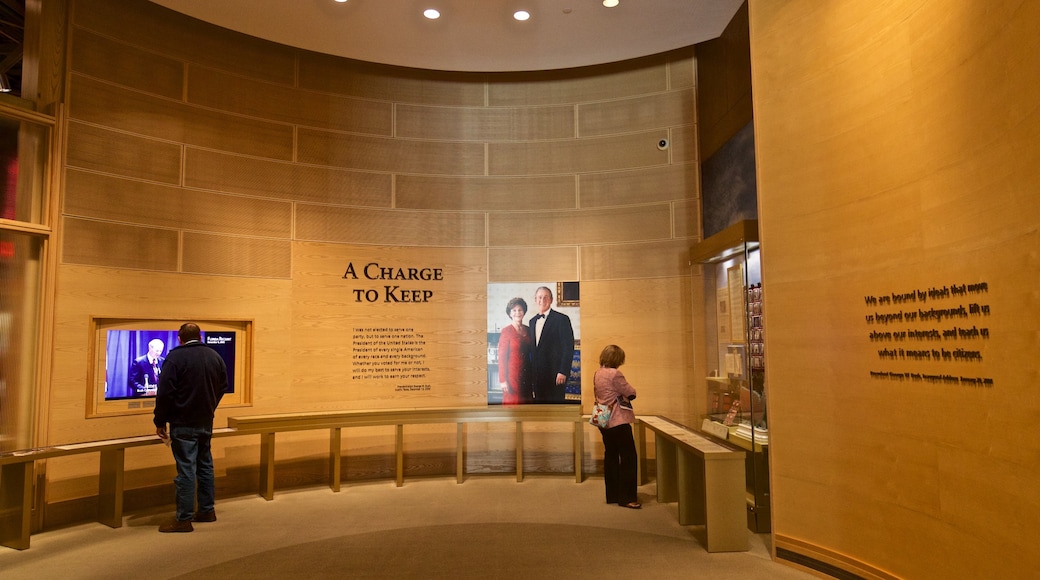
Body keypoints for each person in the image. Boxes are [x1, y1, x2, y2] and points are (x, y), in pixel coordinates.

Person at [153, 323, 228, 533]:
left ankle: (184, 519)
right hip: (206, 420)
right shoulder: (214, 356)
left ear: (179, 338)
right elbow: (223, 386)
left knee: (186, 469)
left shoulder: (175, 358)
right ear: (200, 336)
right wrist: (210, 405)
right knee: (205, 465)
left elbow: (165, 392)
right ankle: (207, 510)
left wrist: (160, 421)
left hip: (183, 422)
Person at [593, 344, 640, 509]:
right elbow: (631, 392)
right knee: (629, 458)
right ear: (617, 359)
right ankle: (627, 498)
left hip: (604, 420)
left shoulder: (598, 373)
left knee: (611, 456)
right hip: (618, 420)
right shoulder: (615, 374)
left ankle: (612, 494)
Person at [527, 286, 574, 403]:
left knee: (555, 408)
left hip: (555, 375)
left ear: (551, 300)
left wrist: (563, 371)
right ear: (535, 300)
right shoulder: (532, 321)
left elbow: (568, 347)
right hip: (538, 376)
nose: (542, 300)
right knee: (539, 409)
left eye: (545, 297)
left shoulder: (562, 319)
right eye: (539, 297)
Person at [497, 297, 531, 405]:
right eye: (514, 310)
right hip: (512, 376)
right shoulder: (506, 331)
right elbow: (501, 357)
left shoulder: (529, 329)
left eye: (520, 310)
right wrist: (503, 380)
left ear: (524, 312)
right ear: (510, 313)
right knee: (513, 404)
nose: (517, 313)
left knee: (526, 405)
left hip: (527, 374)